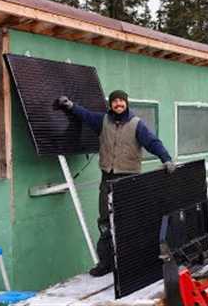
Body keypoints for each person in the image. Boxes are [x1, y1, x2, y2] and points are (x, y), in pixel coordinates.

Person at [58, 90, 175, 277]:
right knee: (105, 221)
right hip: (107, 179)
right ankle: (106, 264)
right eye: (115, 101)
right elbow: (85, 115)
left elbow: (153, 142)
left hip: (129, 180)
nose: (118, 104)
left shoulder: (137, 125)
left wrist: (166, 159)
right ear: (111, 104)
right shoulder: (103, 121)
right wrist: (70, 106)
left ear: (126, 103)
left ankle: (132, 264)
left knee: (129, 222)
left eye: (121, 101)